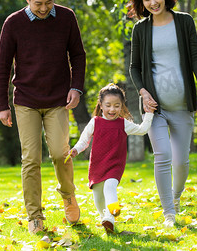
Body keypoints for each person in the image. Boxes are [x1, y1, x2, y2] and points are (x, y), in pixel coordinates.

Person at [0, 0, 86, 234]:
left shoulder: (67, 17)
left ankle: (68, 196)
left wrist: (76, 87)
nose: (44, 8)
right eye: (38, 4)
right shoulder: (13, 23)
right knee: (31, 159)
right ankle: (35, 215)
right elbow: (2, 66)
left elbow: (78, 54)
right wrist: (2, 104)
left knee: (60, 152)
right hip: (26, 101)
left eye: (49, 2)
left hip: (58, 99)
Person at [127, 0, 197, 228]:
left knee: (181, 161)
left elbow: (195, 57)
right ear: (141, 3)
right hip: (155, 107)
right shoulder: (141, 29)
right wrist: (143, 92)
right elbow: (134, 67)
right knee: (162, 155)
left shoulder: (184, 21)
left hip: (182, 104)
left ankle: (175, 197)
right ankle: (168, 213)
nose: (153, 2)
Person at [64, 83, 154, 233]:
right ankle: (105, 218)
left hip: (115, 165)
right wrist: (76, 150)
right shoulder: (95, 122)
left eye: (117, 106)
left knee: (110, 186)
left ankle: (111, 214)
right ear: (101, 105)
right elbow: (84, 140)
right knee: (98, 197)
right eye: (108, 105)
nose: (112, 109)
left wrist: (149, 113)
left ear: (122, 106)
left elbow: (142, 130)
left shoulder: (123, 124)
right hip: (98, 165)